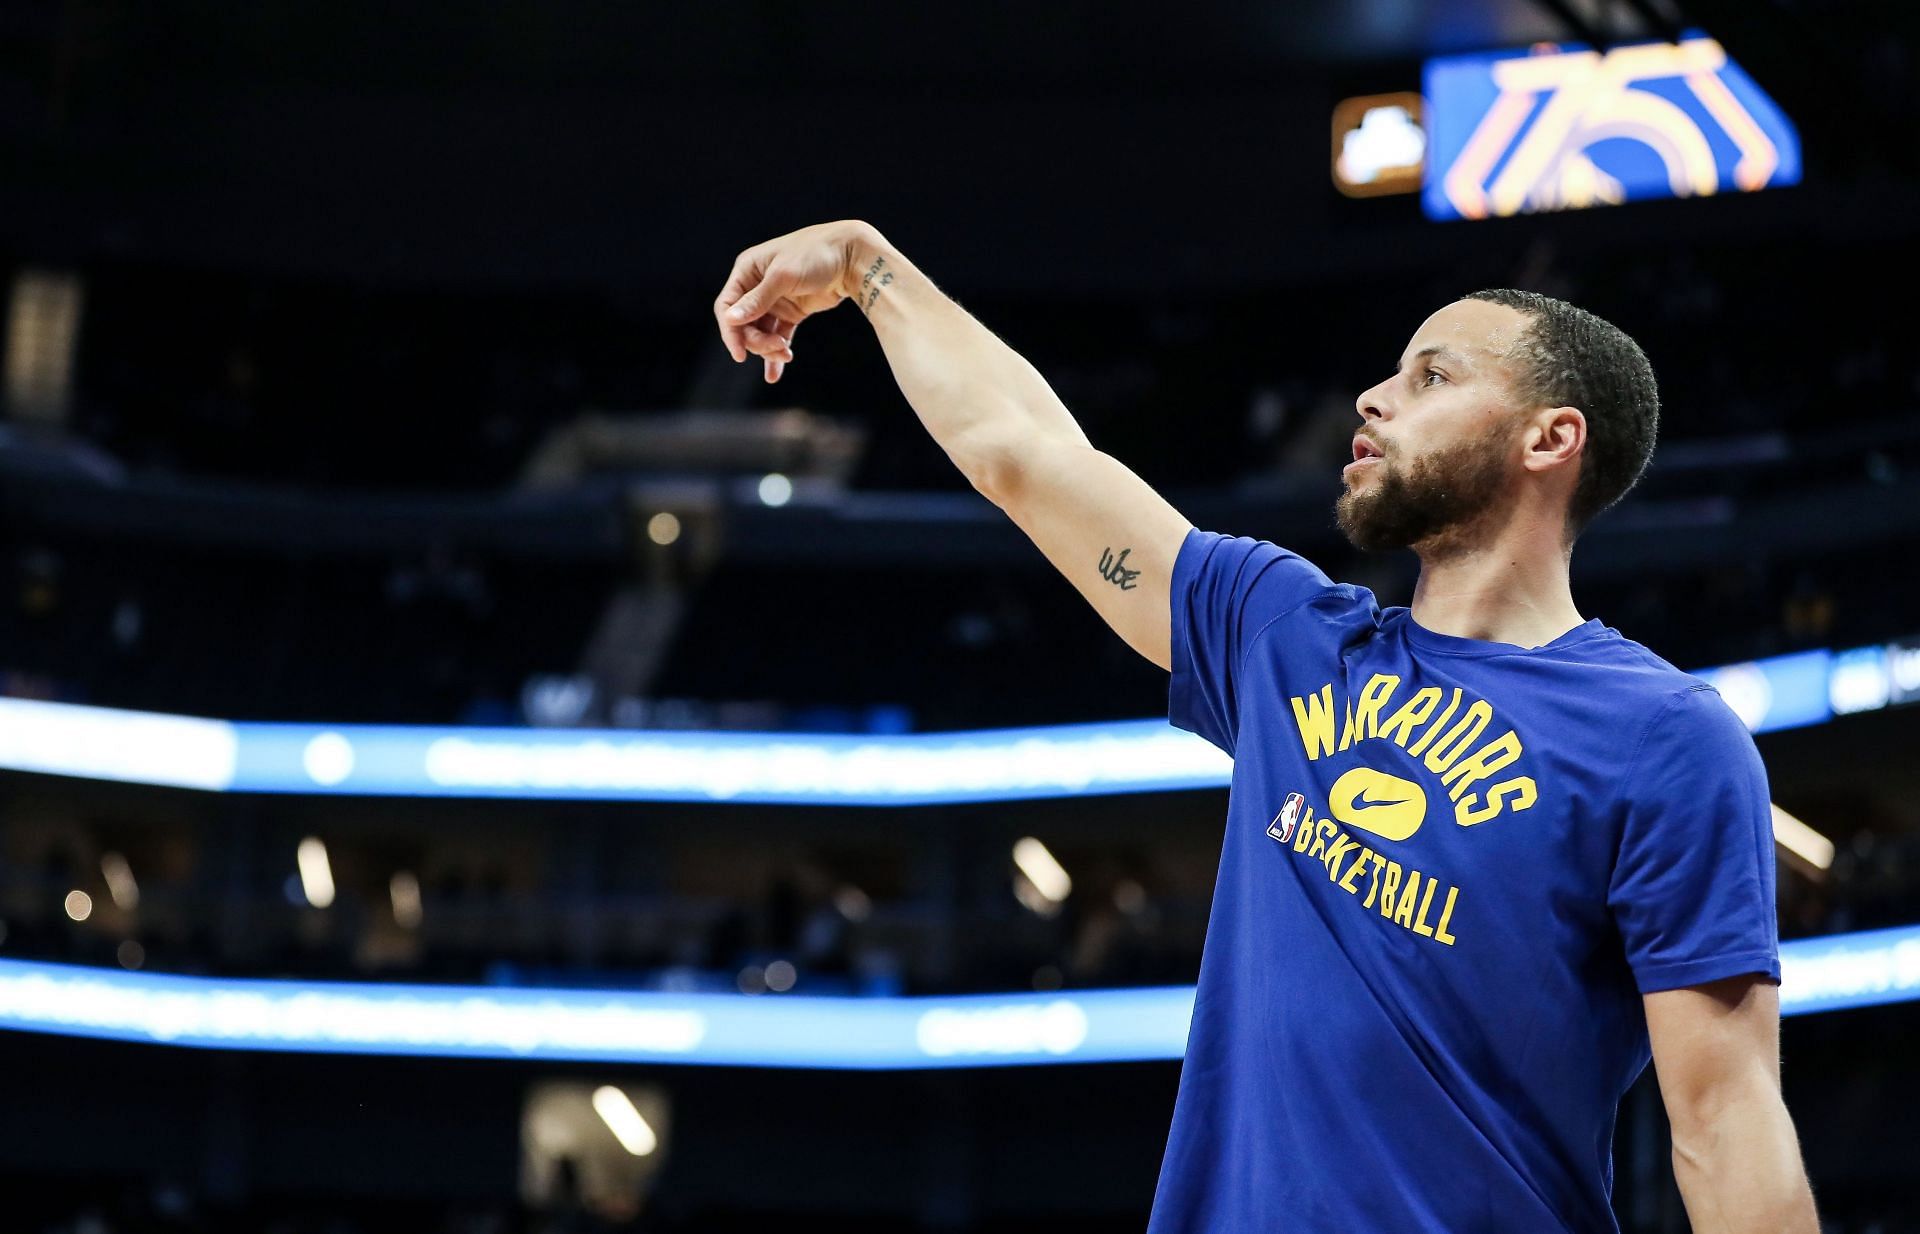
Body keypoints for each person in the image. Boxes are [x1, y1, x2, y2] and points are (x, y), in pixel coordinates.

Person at [712, 220, 1821, 1232]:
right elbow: (1025, 451)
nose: (1374, 399)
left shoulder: (1666, 734)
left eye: (1430, 375)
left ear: (1550, 438)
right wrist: (867, 268)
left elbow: (1725, 1119)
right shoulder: (1284, 634)